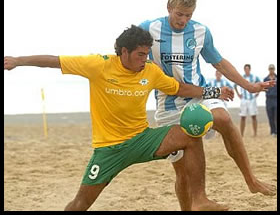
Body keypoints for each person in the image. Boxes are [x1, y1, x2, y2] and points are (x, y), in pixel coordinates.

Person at [4, 25, 235, 211]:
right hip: (109, 149)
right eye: (140, 54)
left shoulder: (150, 71)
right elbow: (55, 61)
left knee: (190, 135)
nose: (145, 59)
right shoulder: (99, 65)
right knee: (80, 204)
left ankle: (199, 199)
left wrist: (214, 92)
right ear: (124, 52)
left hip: (143, 139)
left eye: (147, 53)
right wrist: (17, 60)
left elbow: (179, 89)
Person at [139, 0, 276, 210]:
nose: (183, 20)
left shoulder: (201, 31)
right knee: (182, 172)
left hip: (200, 95)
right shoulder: (149, 28)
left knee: (223, 117)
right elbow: (133, 58)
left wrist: (248, 86)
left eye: (188, 15)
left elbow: (219, 62)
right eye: (179, 14)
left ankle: (251, 180)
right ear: (168, 8)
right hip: (168, 106)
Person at [234, 64, 261, 137]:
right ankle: (241, 134)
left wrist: (258, 92)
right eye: (245, 69)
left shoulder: (254, 77)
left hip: (252, 99)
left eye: (248, 69)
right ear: (244, 70)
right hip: (244, 99)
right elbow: (235, 85)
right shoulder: (242, 77)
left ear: (250, 69)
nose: (246, 70)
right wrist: (238, 94)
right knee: (243, 117)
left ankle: (255, 133)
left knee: (254, 116)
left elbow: (260, 84)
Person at [263, 64, 277, 137]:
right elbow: (264, 88)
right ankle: (273, 131)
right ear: (269, 69)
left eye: (272, 69)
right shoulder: (265, 79)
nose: (271, 70)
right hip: (269, 99)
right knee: (270, 116)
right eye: (270, 69)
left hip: (276, 99)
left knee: (276, 116)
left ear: (274, 69)